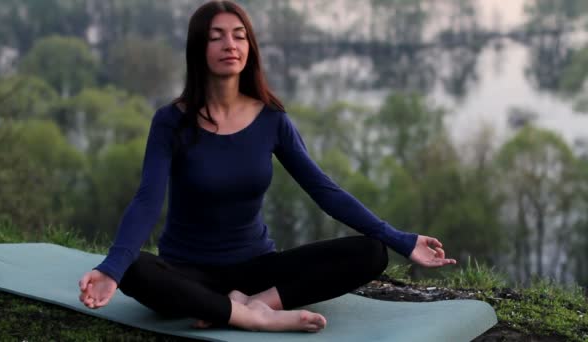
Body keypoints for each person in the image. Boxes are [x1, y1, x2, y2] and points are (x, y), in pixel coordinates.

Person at [78, 0, 457, 333]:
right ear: (198, 48)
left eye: (240, 35)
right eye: (217, 37)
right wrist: (111, 269)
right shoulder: (171, 121)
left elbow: (324, 191)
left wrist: (400, 240)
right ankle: (249, 317)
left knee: (371, 253)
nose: (231, 45)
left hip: (256, 268)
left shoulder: (271, 119)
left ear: (250, 47)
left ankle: (258, 304)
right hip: (188, 272)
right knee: (135, 269)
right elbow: (147, 200)